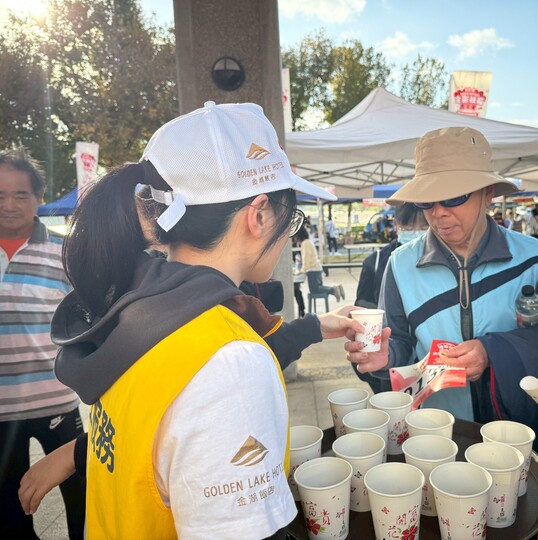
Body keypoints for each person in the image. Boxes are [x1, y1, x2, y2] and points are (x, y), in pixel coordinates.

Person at [47, 102, 358, 539]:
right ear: (259, 214)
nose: (289, 234)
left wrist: (315, 327)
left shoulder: (140, 310)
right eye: (292, 218)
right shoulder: (231, 362)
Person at [347, 126, 538, 524]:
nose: (438, 213)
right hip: (439, 438)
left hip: (514, 438)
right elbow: (400, 350)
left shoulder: (531, 257)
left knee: (513, 524)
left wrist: (493, 352)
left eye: (454, 197)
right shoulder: (401, 265)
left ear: (488, 193)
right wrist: (379, 361)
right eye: (427, 201)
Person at [0, 148, 85, 539]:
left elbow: (88, 318)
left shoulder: (65, 252)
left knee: (84, 503)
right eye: (0, 195)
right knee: (11, 514)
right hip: (2, 414)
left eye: (20, 194)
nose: (9, 205)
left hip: (58, 404)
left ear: (39, 197)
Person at [355, 203, 428, 310]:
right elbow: (362, 304)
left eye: (424, 227)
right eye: (409, 227)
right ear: (396, 224)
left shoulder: (445, 258)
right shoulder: (375, 261)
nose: (416, 232)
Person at [295, 224, 344, 303]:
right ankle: (337, 288)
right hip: (316, 268)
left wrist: (301, 271)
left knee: (314, 290)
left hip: (312, 270)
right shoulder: (308, 242)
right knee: (318, 287)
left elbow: (306, 259)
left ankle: (333, 290)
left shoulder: (305, 244)